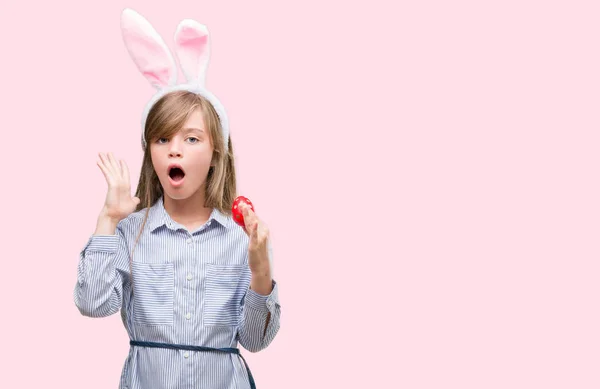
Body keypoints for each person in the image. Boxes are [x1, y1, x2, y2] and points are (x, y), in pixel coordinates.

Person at [73, 8, 281, 389]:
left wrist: (260, 272)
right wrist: (108, 219)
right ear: (149, 150)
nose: (175, 151)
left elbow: (256, 340)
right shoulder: (131, 231)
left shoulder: (241, 238)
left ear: (216, 151)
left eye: (191, 138)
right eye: (162, 139)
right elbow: (93, 303)